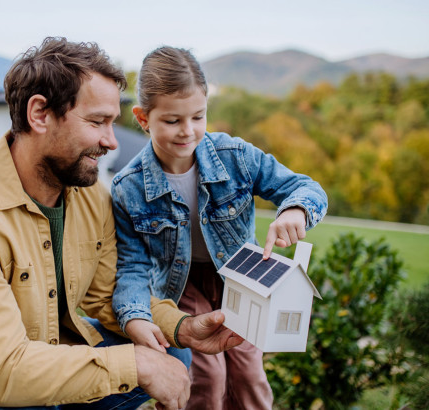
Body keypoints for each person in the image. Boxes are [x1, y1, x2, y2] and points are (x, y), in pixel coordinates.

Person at [0, 37, 244, 410]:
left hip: (47, 352)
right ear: (39, 114)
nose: (111, 142)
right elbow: (4, 371)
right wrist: (134, 364)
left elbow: (108, 294)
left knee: (170, 353)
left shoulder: (90, 194)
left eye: (112, 123)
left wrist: (181, 327)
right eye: (97, 122)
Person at [110, 46, 328, 410]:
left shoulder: (235, 157)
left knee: (249, 376)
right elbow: (132, 265)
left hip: (240, 278)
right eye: (172, 120)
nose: (188, 131)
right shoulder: (128, 188)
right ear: (143, 117)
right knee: (207, 379)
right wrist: (134, 315)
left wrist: (296, 210)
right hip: (180, 286)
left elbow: (306, 188)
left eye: (198, 117)